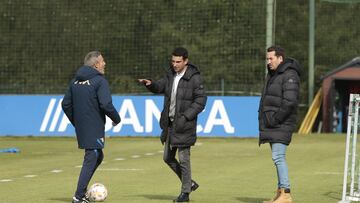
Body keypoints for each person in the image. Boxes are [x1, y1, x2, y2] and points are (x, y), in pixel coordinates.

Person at [138, 47, 207, 202]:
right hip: (170, 125)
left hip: (184, 125)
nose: (175, 64)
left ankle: (185, 194)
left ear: (186, 61)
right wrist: (150, 84)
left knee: (184, 159)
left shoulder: (194, 78)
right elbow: (159, 87)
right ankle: (189, 183)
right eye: (173, 61)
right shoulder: (170, 75)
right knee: (167, 157)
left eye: (178, 62)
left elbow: (201, 101)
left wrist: (185, 117)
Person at [62, 51, 121, 203]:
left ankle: (82, 193)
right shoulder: (100, 81)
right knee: (93, 156)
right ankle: (79, 196)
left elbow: (65, 104)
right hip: (93, 126)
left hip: (82, 127)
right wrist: (117, 118)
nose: (105, 63)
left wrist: (77, 121)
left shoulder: (74, 81)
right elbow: (106, 104)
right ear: (96, 65)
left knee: (98, 156)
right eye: (102, 61)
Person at [258, 46, 301, 203]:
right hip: (273, 125)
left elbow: (289, 102)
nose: (268, 62)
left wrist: (275, 119)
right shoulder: (273, 74)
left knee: (278, 157)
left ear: (280, 58)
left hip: (281, 124)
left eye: (271, 59)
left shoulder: (289, 75)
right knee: (276, 157)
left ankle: (286, 193)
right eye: (267, 59)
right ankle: (280, 193)